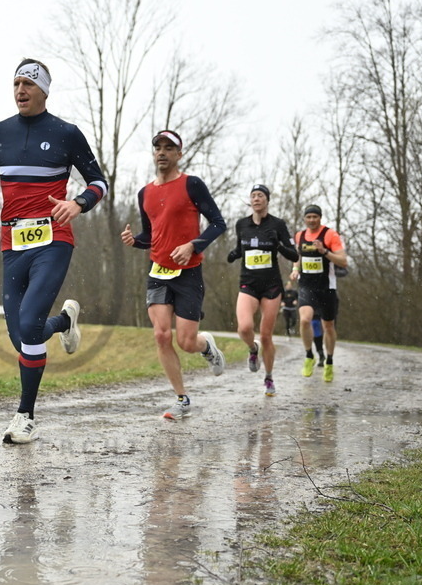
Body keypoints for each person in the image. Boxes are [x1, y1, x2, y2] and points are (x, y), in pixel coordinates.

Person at [0, 58, 109, 444]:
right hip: (12, 243)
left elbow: (99, 182)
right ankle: (64, 322)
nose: (20, 90)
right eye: (16, 83)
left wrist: (78, 203)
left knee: (30, 322)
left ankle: (25, 416)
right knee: (22, 338)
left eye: (28, 84)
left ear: (44, 91)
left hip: (53, 239)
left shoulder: (66, 134)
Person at [121, 130, 228, 421]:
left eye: (169, 148)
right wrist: (135, 241)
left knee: (186, 342)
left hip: (189, 273)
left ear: (179, 154)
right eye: (158, 147)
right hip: (158, 272)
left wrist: (193, 245)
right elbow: (150, 235)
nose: (162, 152)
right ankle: (181, 398)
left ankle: (207, 347)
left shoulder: (192, 185)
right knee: (161, 334)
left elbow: (218, 223)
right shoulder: (145, 193)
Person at [227, 184, 299, 397]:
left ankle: (268, 377)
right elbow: (241, 248)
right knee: (244, 328)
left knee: (266, 336)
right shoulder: (242, 224)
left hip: (271, 286)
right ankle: (252, 349)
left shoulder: (278, 224)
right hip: (248, 284)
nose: (256, 199)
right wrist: (234, 254)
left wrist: (279, 246)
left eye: (260, 195)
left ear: (267, 200)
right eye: (253, 196)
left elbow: (294, 255)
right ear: (250, 201)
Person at [290, 204, 348, 382]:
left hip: (326, 287)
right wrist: (295, 269)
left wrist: (325, 251)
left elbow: (343, 261)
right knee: (305, 320)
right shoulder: (300, 236)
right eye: (309, 217)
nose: (312, 220)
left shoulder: (330, 235)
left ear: (320, 218)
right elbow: (298, 257)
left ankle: (329, 361)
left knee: (328, 326)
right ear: (304, 219)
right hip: (306, 286)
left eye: (315, 217)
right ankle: (309, 356)